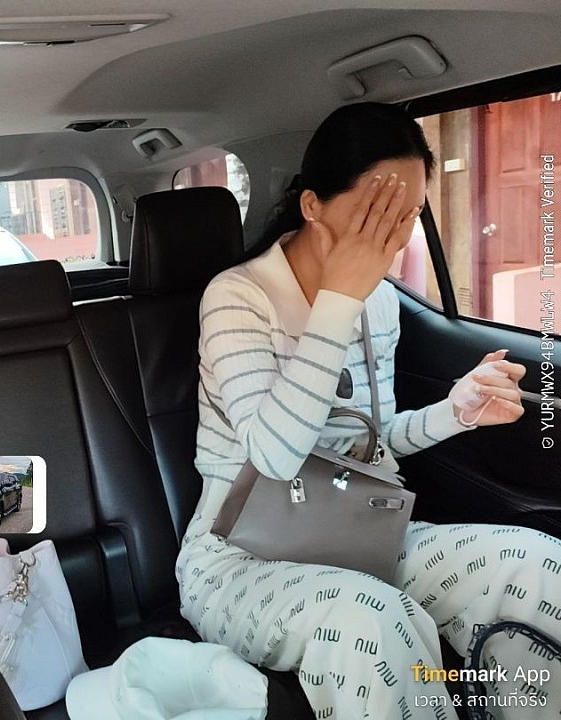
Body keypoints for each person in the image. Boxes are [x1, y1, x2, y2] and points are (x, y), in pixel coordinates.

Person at [176, 103, 561, 719]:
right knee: (372, 622)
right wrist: (337, 301)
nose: (393, 236)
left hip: (355, 531)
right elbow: (274, 458)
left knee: (535, 563)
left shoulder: (379, 303)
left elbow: (369, 443)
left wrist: (455, 411)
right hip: (240, 553)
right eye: (375, 213)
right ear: (312, 206)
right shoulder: (237, 298)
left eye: (407, 215)